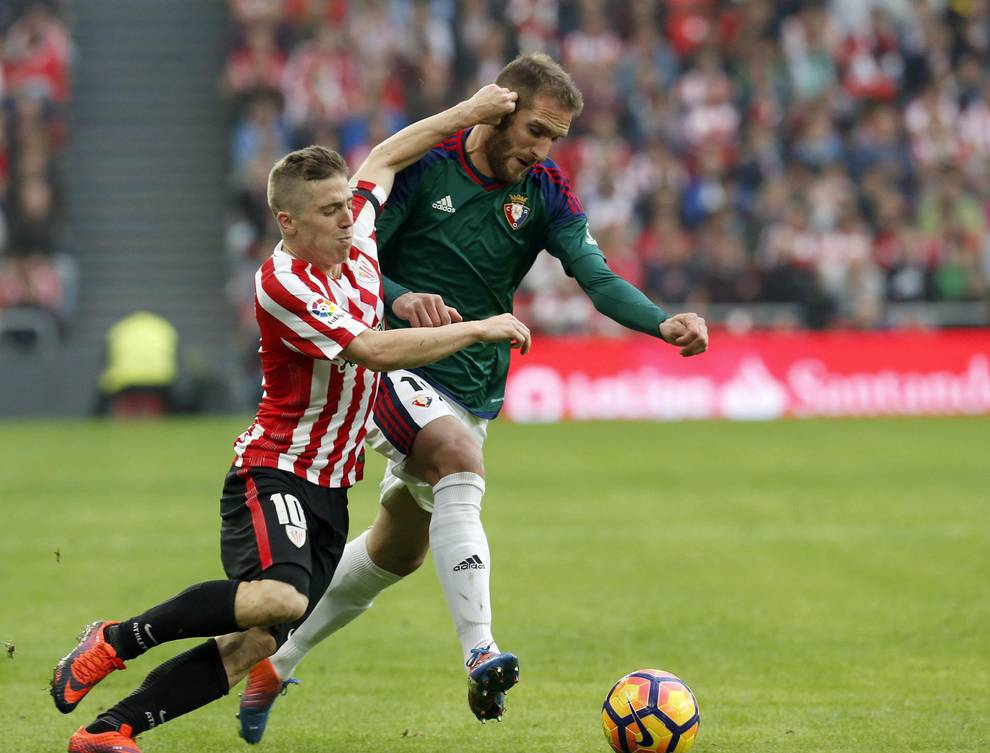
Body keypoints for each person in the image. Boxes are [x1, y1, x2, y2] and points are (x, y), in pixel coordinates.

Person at [240, 52, 709, 741]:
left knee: (397, 549)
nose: (544, 149)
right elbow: (357, 262)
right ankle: (481, 651)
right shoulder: (429, 166)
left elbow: (596, 275)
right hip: (388, 364)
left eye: (556, 137)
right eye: (537, 130)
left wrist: (661, 321)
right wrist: (403, 299)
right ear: (501, 108)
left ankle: (275, 662)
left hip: (473, 379)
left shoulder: (546, 190)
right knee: (457, 459)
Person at [49, 85, 529, 753]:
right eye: (329, 211)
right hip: (275, 470)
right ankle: (114, 638)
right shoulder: (283, 284)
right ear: (287, 221)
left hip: (330, 484)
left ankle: (109, 731)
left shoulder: (355, 241)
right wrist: (477, 328)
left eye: (344, 207)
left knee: (253, 643)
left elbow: (386, 157)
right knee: (278, 601)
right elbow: (370, 348)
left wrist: (468, 113)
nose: (347, 220)